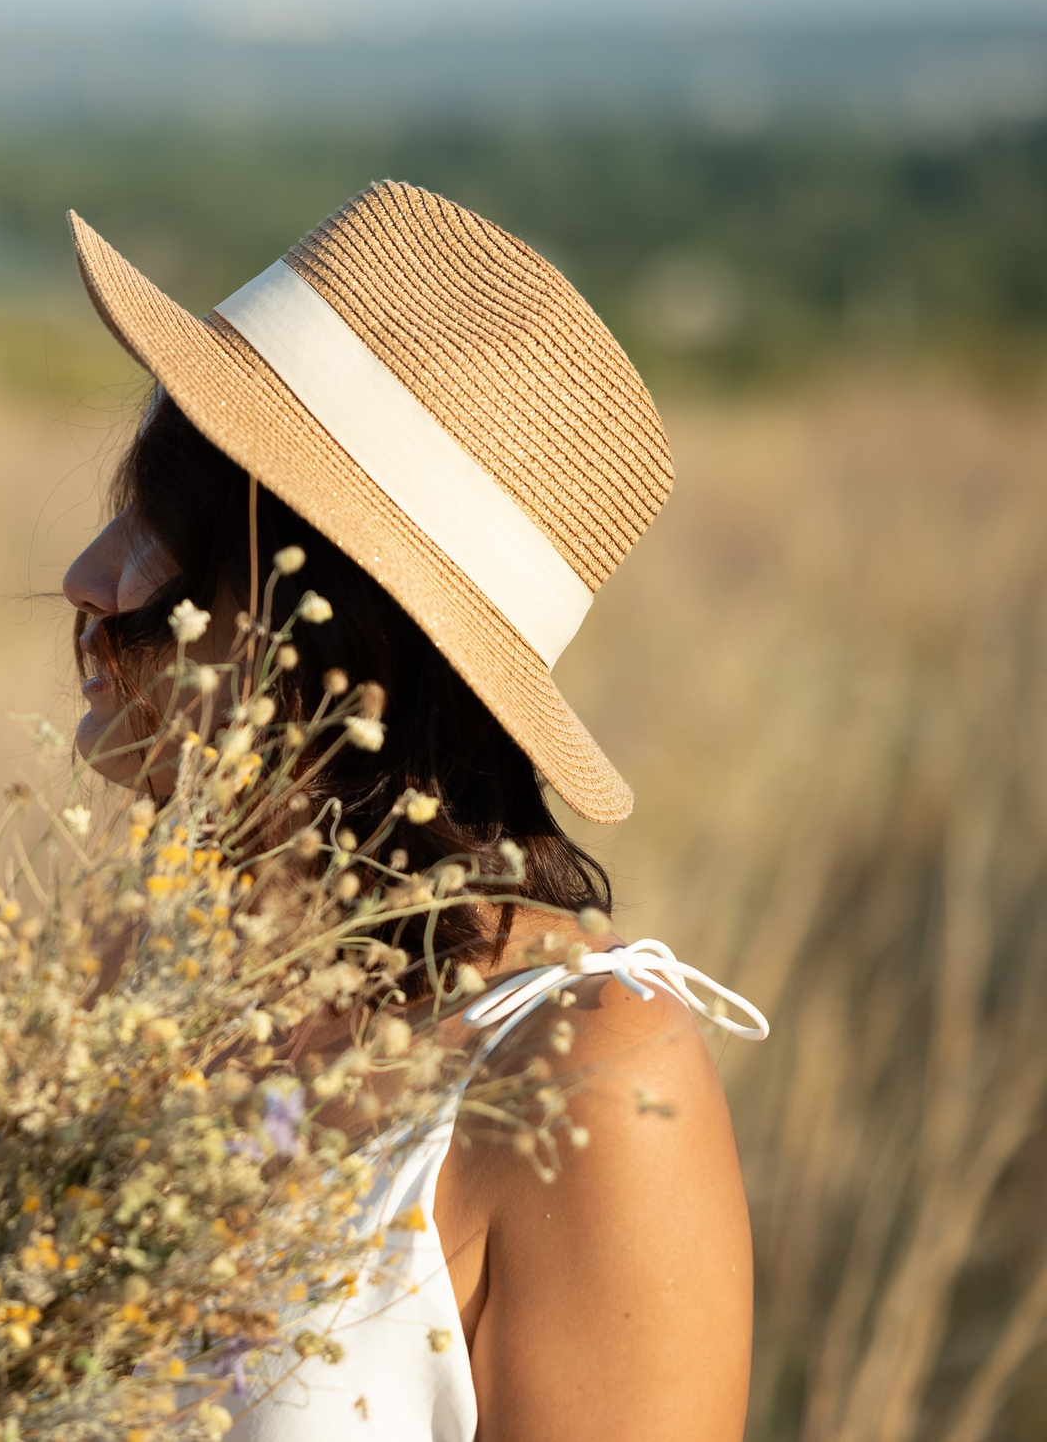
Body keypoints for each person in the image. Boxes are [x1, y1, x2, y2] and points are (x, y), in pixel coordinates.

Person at [61, 181, 765, 1438]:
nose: (87, 577)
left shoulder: (588, 1079)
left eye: (157, 532)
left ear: (325, 625)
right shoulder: (136, 980)